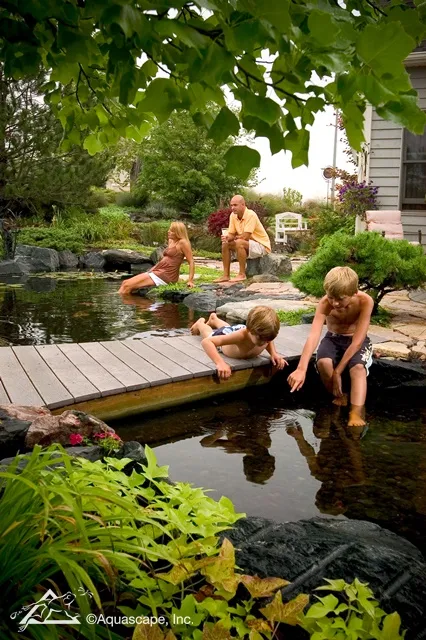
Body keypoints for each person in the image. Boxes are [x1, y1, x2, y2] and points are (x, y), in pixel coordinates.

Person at [287, 266, 374, 428]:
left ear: (354, 292)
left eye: (340, 298)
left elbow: (357, 341)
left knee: (358, 368)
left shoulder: (365, 301)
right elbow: (313, 336)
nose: (335, 303)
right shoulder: (325, 304)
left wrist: (338, 371)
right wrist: (301, 368)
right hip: (332, 338)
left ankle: (356, 412)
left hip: (356, 341)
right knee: (323, 363)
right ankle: (340, 395)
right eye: (331, 297)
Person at [191, 306, 287, 379]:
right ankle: (200, 324)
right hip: (225, 339)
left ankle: (214, 319)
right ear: (250, 330)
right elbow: (207, 342)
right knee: (210, 334)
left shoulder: (265, 336)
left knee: (228, 329)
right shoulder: (241, 336)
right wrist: (220, 363)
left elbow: (268, 340)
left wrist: (274, 353)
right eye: (261, 339)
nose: (264, 342)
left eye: (268, 339)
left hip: (235, 332)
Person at [118, 221, 195, 295]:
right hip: (158, 270)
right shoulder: (171, 240)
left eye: (171, 231)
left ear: (178, 233)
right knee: (125, 283)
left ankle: (121, 302)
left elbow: (191, 261)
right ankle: (124, 301)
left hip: (165, 275)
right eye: (169, 229)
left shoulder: (183, 243)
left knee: (127, 285)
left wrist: (190, 280)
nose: (168, 231)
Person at [215, 194, 271, 283]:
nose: (232, 208)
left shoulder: (251, 215)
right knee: (225, 243)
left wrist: (233, 238)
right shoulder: (233, 216)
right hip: (247, 244)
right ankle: (226, 275)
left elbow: (246, 236)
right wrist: (227, 237)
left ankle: (242, 274)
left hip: (261, 246)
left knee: (239, 242)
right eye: (231, 205)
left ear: (243, 204)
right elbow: (232, 234)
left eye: (235, 205)